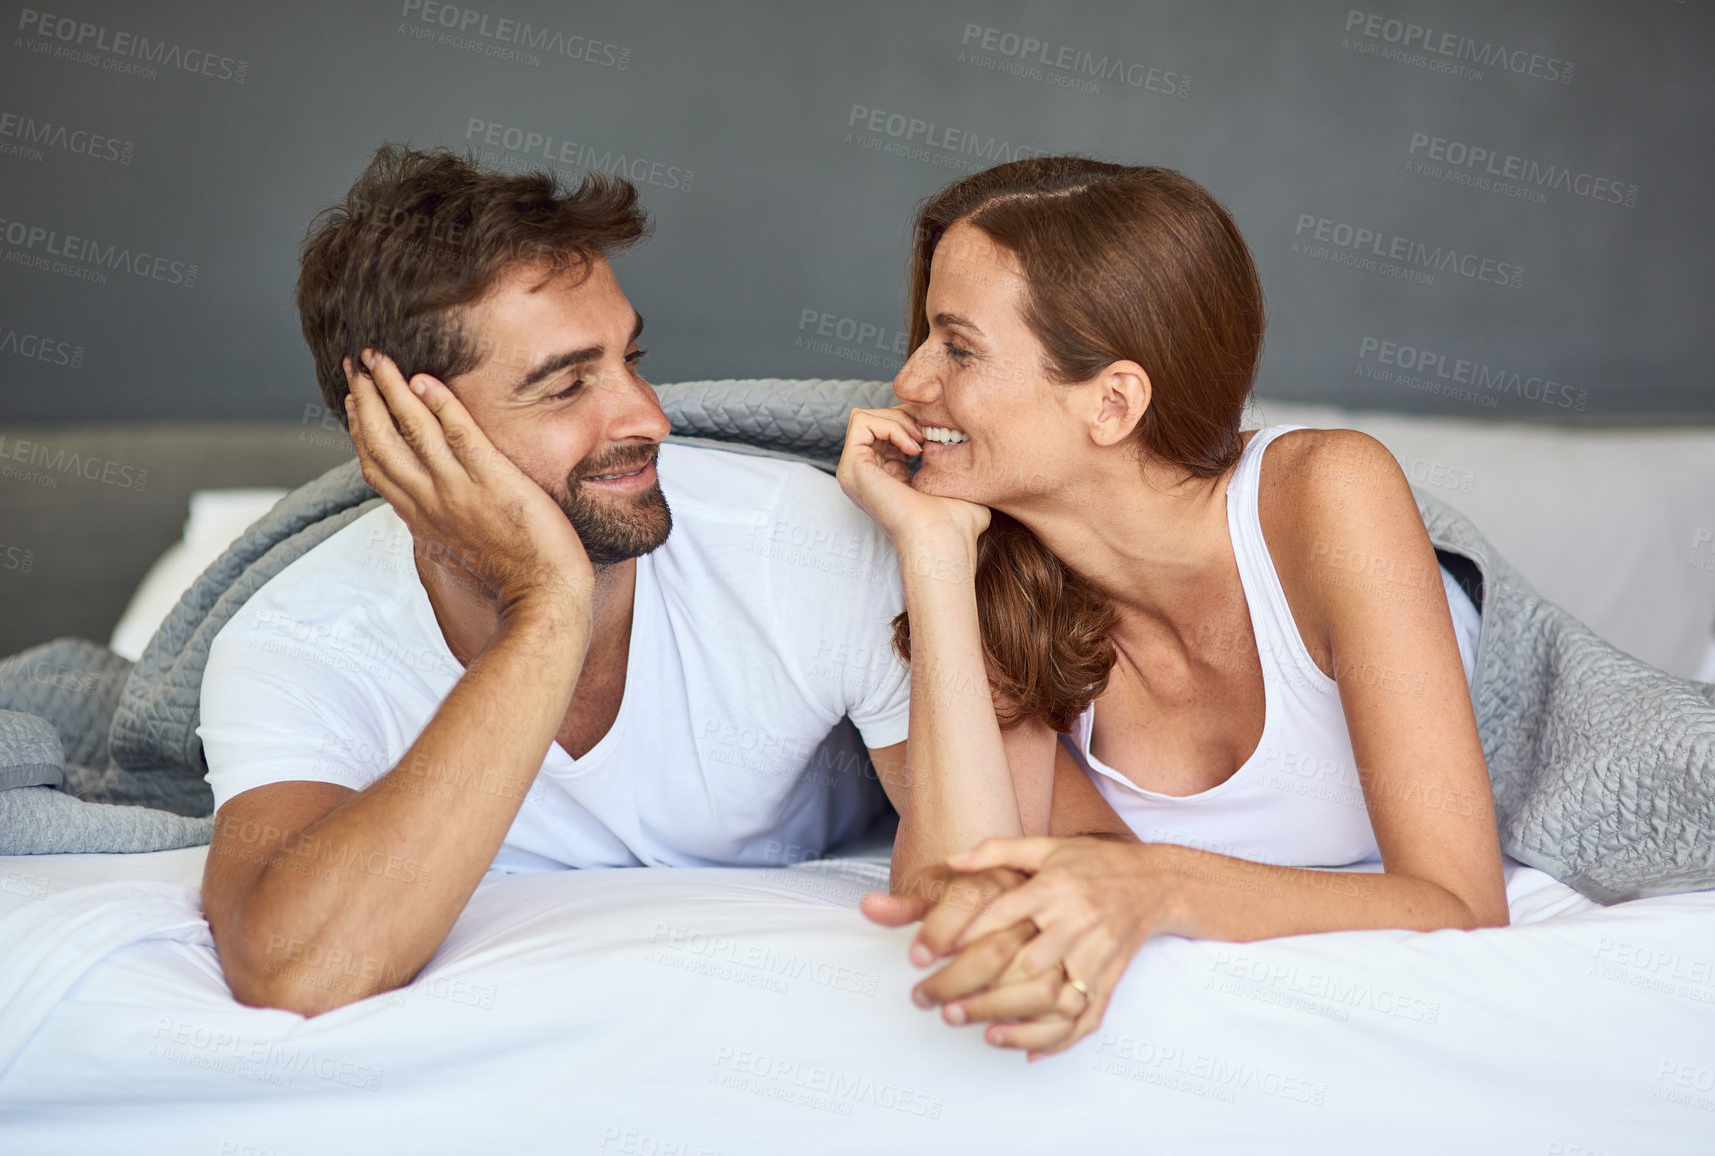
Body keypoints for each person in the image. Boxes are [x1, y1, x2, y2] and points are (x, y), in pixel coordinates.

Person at [197, 144, 1011, 1016]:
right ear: (403, 433)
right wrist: (546, 610)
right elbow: (297, 970)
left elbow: (974, 893)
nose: (648, 417)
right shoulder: (299, 639)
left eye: (632, 358)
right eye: (564, 387)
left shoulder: (797, 543)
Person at [835, 156, 1509, 1061]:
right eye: (923, 340)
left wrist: (1157, 885)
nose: (909, 384)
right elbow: (956, 899)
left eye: (957, 348)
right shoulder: (1003, 571)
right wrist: (932, 554)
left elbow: (1459, 902)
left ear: (1113, 401)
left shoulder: (1327, 494)